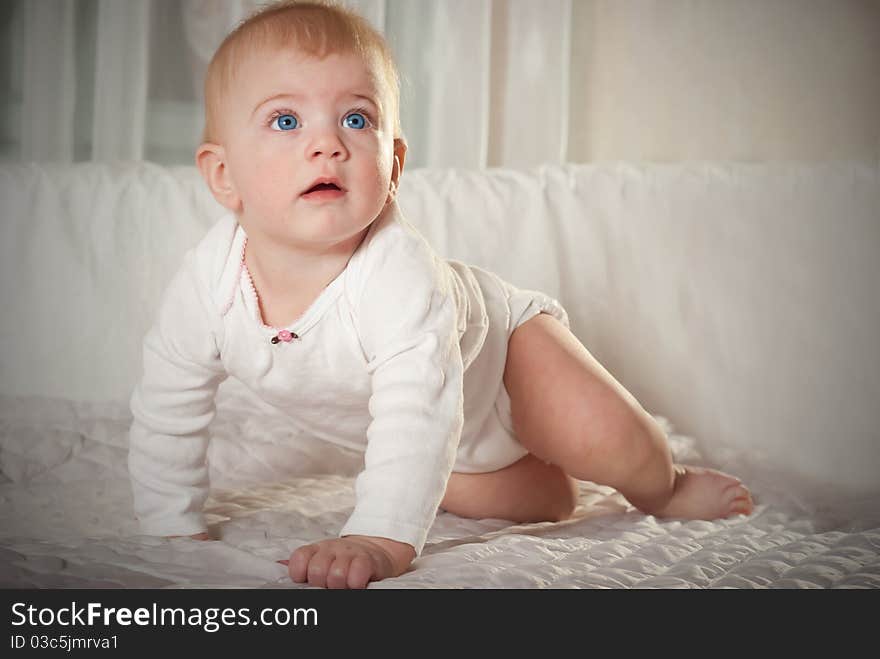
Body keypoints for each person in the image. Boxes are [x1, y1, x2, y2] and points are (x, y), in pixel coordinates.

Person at [128, 0, 753, 590]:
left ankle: (665, 486)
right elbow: (167, 406)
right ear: (223, 175)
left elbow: (413, 410)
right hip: (454, 436)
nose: (327, 143)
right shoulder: (208, 285)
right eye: (285, 120)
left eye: (356, 118)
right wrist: (169, 523)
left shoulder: (397, 273)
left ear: (394, 166)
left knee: (616, 448)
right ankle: (548, 483)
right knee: (484, 490)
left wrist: (378, 538)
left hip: (507, 357)